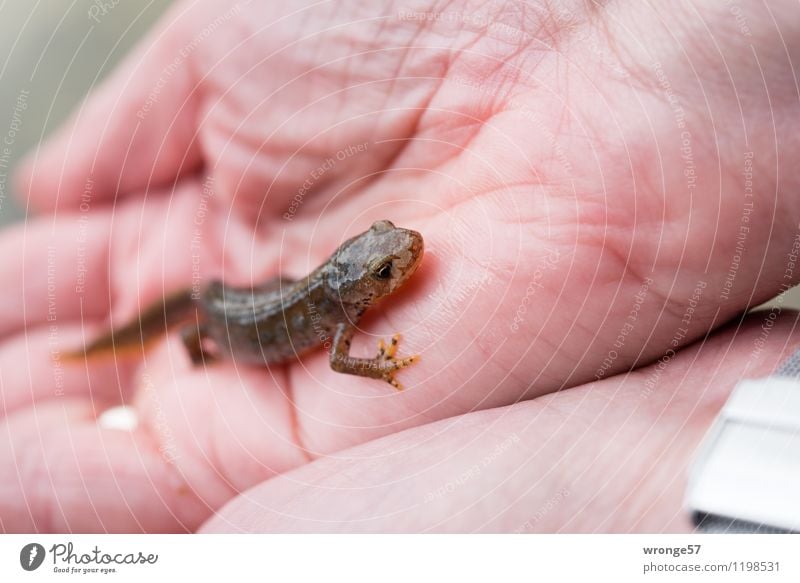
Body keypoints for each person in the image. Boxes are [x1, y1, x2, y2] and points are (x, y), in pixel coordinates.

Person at [2, 0, 799, 533]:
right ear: (356, 284)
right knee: (205, 323)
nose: (404, 253)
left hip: (248, 297)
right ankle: (176, 341)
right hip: (224, 318)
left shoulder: (339, 291)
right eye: (386, 266)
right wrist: (380, 369)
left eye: (385, 246)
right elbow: (345, 357)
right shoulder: (339, 320)